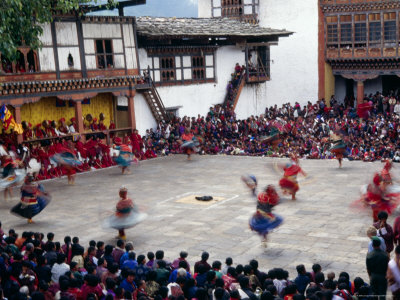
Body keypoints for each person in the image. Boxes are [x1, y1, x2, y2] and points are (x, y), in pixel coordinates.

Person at [242, 175, 283, 247]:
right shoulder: (268, 197)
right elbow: (253, 191)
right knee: (263, 228)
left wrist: (247, 182)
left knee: (264, 228)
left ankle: (264, 239)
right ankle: (264, 239)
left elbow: (253, 191)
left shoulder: (266, 196)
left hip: (262, 215)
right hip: (262, 215)